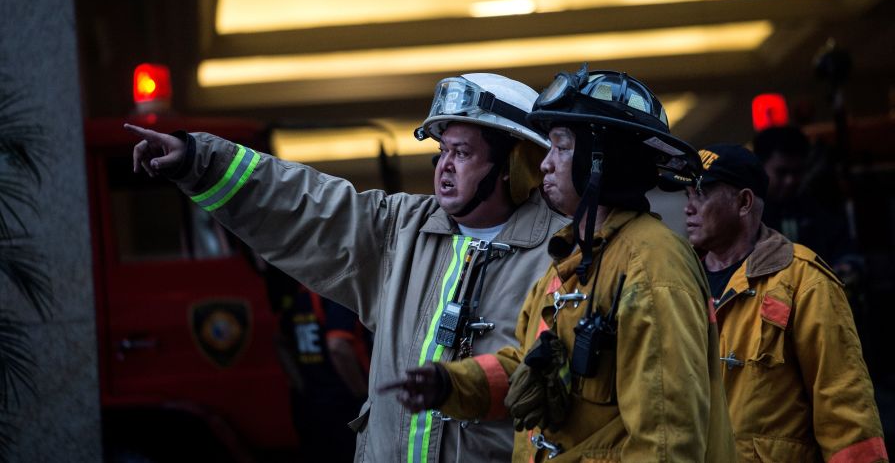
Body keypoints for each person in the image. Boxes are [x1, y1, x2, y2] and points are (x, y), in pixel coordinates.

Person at [125, 73, 569, 463]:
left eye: (463, 152)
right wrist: (198, 161)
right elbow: (304, 205)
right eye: (442, 150)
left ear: (515, 165)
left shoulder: (562, 257)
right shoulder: (401, 230)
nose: (443, 166)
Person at [387, 66, 735, 462]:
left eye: (561, 147)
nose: (545, 164)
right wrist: (450, 384)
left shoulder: (652, 265)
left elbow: (666, 441)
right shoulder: (573, 263)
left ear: (601, 160)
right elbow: (530, 369)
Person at [679, 143, 886, 462]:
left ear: (743, 202)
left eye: (701, 194)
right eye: (687, 195)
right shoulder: (677, 283)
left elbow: (843, 407)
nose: (688, 208)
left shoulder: (805, 281)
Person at [263, 263, 370, 461]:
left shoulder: (300, 294)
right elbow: (337, 346)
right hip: (344, 406)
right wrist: (363, 396)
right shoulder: (337, 295)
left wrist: (299, 384)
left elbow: (279, 340)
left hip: (312, 405)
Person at [753, 125, 853, 266]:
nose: (790, 181)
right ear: (760, 167)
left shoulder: (819, 207)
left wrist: (848, 267)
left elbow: (845, 250)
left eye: (797, 172)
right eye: (781, 172)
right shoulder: (747, 216)